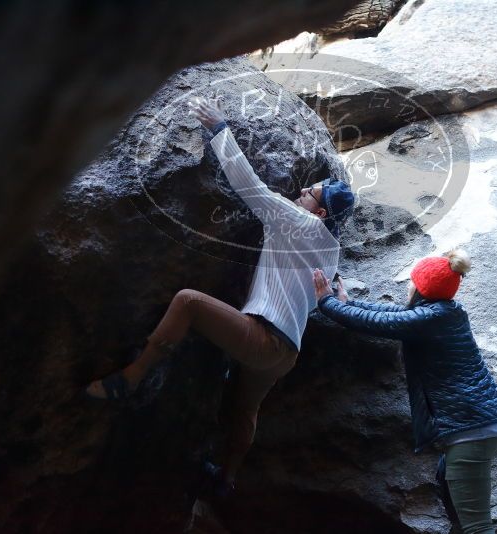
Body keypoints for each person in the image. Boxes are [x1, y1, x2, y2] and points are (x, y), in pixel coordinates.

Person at [86, 97, 355, 496]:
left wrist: (219, 130)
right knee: (245, 410)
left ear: (318, 214)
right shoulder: (331, 251)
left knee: (188, 301)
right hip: (286, 355)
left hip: (263, 338)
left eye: (310, 193)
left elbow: (250, 186)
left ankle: (131, 378)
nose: (301, 190)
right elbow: (320, 297)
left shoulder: (297, 221)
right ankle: (226, 480)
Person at [313, 249, 497, 534]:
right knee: (449, 484)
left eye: (412, 280)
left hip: (473, 430)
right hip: (481, 423)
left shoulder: (429, 319)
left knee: (477, 527)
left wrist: (327, 302)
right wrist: (348, 303)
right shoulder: (445, 312)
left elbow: (380, 323)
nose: (409, 285)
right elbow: (395, 314)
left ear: (421, 288)